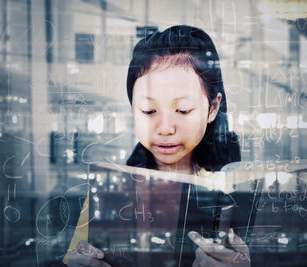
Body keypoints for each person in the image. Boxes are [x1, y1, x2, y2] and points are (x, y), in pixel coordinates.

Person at [66, 25, 249, 267]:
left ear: (212, 108)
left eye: (183, 110)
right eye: (148, 110)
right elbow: (77, 257)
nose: (165, 128)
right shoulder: (108, 192)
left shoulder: (237, 193)